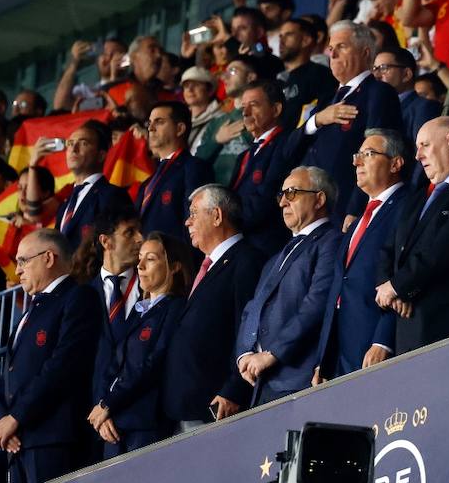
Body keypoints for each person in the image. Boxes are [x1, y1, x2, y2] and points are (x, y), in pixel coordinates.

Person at [0, 228, 103, 483]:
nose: (17, 270)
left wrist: (16, 416)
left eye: (23, 261)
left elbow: (64, 365)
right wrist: (2, 419)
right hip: (19, 439)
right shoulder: (31, 310)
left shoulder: (77, 297)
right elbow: (6, 374)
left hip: (53, 437)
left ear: (49, 258)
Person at [377, 118, 449, 352]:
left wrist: (400, 285)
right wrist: (390, 288)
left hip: (446, 323)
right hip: (408, 324)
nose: (418, 155)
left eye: (425, 145)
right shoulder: (419, 196)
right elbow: (389, 248)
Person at [161, 185, 264, 431]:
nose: (187, 222)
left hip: (216, 405)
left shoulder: (247, 261)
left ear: (217, 216)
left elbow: (248, 329)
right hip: (187, 405)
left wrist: (234, 389)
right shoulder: (208, 266)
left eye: (194, 213)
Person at [235, 167, 340, 405]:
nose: (282, 202)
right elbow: (252, 308)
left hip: (298, 378)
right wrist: (244, 354)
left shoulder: (329, 242)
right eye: (281, 195)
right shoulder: (275, 257)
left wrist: (273, 353)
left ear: (319, 199)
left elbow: (316, 304)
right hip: (263, 383)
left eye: (292, 193)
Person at [315, 130, 411, 380]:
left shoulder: (408, 206)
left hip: (374, 344)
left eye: (368, 154)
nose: (357, 162)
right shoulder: (357, 221)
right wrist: (324, 359)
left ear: (395, 163)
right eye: (357, 156)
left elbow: (401, 275)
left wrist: (383, 340)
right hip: (341, 353)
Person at [87, 232, 190, 458]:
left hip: (145, 425)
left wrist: (109, 404)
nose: (140, 265)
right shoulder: (138, 310)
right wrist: (104, 408)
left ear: (174, 267)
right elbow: (115, 363)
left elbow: (152, 363)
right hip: (114, 425)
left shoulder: (177, 308)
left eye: (150, 259)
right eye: (140, 258)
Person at [286, 21, 403, 214]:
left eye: (341, 47)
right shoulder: (324, 100)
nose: (332, 54)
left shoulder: (378, 92)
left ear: (365, 53)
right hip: (309, 209)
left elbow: (376, 156)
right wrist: (317, 120)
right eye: (330, 48)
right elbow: (288, 151)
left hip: (343, 208)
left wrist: (355, 210)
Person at [229, 80, 293, 250]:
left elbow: (267, 199)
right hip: (241, 242)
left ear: (276, 109)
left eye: (254, 105)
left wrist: (227, 222)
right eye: (243, 107)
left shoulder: (285, 145)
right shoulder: (245, 154)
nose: (245, 112)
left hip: (265, 247)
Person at [137, 101, 214, 240]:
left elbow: (196, 223)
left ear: (179, 129)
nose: (151, 128)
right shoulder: (148, 182)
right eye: (149, 123)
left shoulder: (194, 168)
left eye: (159, 122)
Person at [53, 120, 132, 251]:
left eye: (83, 143)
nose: (73, 149)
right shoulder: (66, 202)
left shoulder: (112, 195)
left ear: (101, 155)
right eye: (70, 143)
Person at [374, 47, 440, 154]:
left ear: (406, 74)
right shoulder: (376, 109)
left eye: (383, 68)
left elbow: (424, 154)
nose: (376, 75)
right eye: (374, 69)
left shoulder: (424, 108)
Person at [277, 18, 339, 131]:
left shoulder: (320, 75)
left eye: (288, 35)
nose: (281, 41)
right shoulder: (278, 82)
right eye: (280, 36)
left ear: (306, 40)